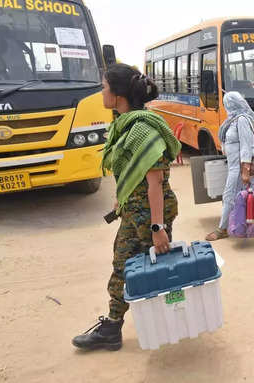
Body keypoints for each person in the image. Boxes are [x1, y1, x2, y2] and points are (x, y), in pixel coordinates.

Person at [72, 64, 181, 351]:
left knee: (152, 269)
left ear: (118, 93)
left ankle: (174, 320)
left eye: (104, 87)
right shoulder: (125, 124)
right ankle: (113, 327)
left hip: (150, 214)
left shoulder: (143, 128)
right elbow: (131, 172)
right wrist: (121, 198)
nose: (102, 92)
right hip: (134, 212)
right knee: (123, 265)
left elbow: (155, 182)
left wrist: (157, 228)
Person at [205, 92, 254, 241]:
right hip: (234, 166)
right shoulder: (231, 121)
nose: (225, 106)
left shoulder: (242, 120)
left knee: (228, 195)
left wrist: (245, 171)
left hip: (240, 167)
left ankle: (222, 229)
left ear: (232, 104)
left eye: (226, 103)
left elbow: (247, 146)